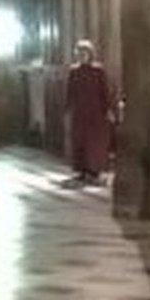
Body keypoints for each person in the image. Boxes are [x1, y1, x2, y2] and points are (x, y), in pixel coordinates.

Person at [64, 39, 114, 188]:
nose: (82, 55)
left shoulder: (98, 71)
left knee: (95, 143)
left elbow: (104, 91)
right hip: (80, 112)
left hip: (96, 112)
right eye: (79, 53)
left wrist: (108, 109)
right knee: (80, 141)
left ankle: (95, 170)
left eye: (84, 53)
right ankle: (82, 169)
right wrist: (67, 109)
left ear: (90, 54)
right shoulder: (74, 71)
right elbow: (70, 92)